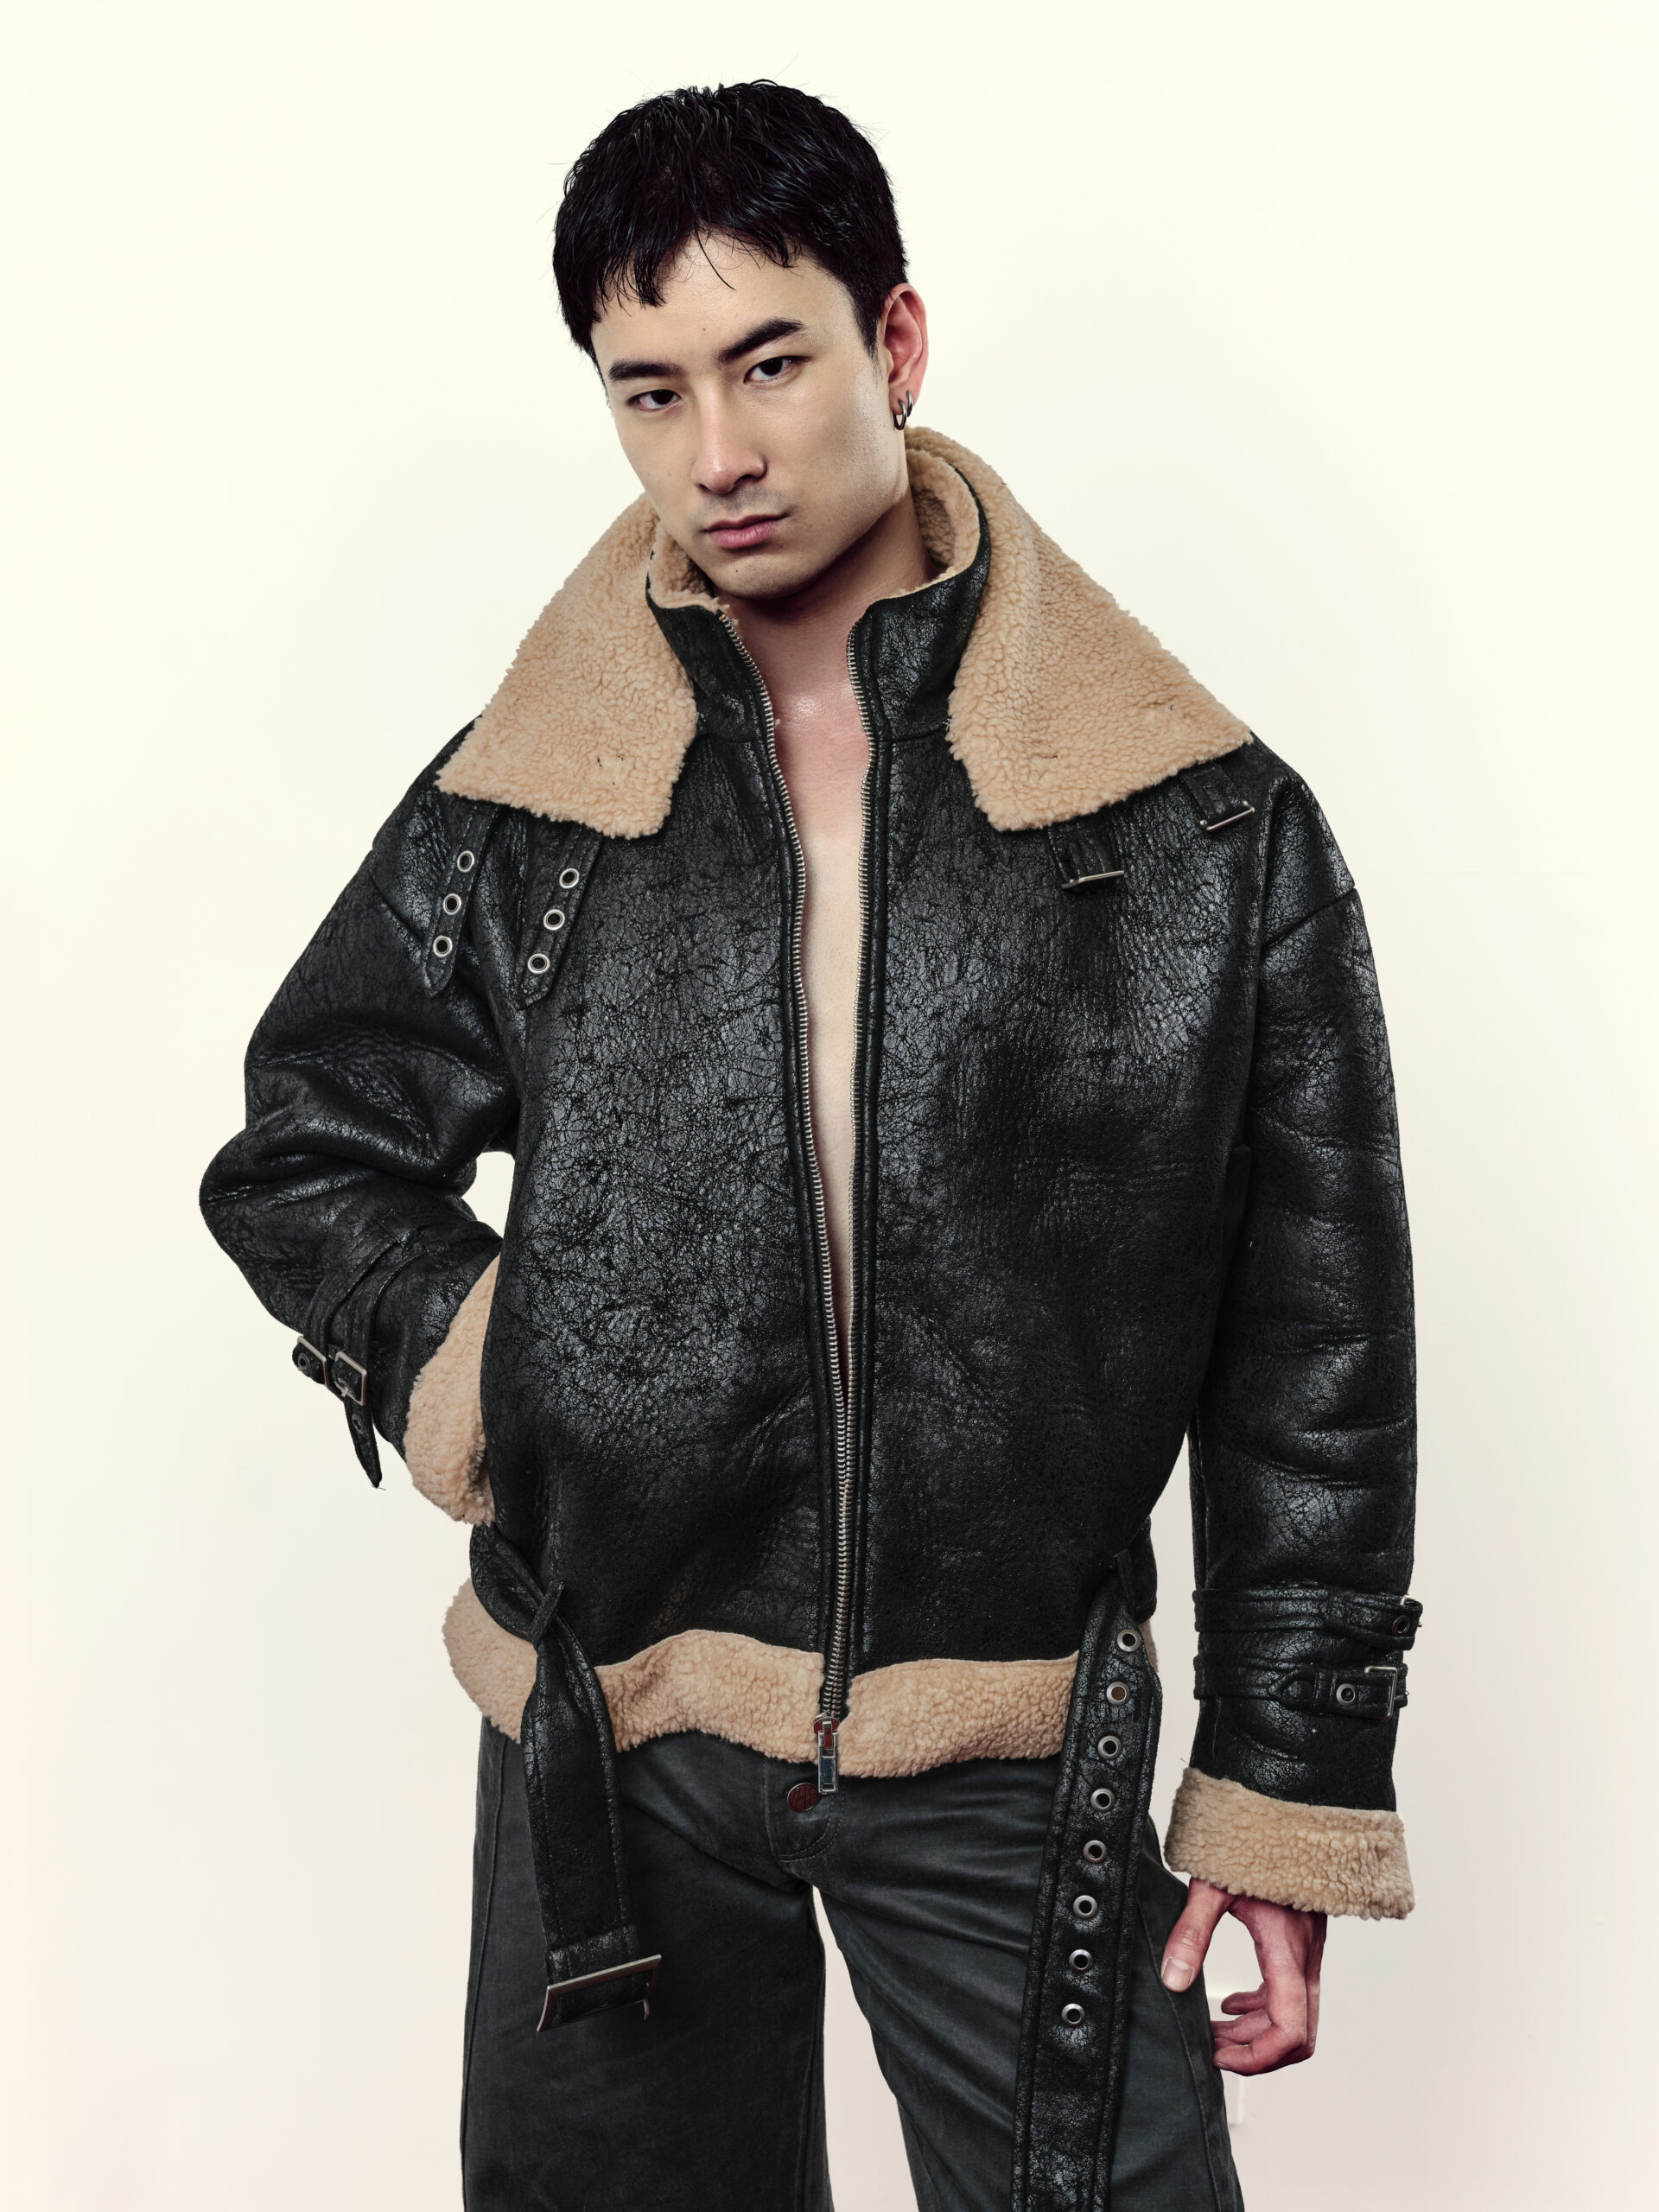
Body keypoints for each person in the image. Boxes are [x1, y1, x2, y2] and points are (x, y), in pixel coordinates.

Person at [201, 79, 1421, 2212]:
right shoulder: (534, 801)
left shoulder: (1195, 821)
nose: (720, 454)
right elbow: (308, 1139)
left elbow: (1313, 1338)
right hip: (616, 1731)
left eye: (770, 364)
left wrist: (1283, 1781)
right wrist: (493, 1370)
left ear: (899, 340)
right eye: (650, 391)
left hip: (1012, 1745)